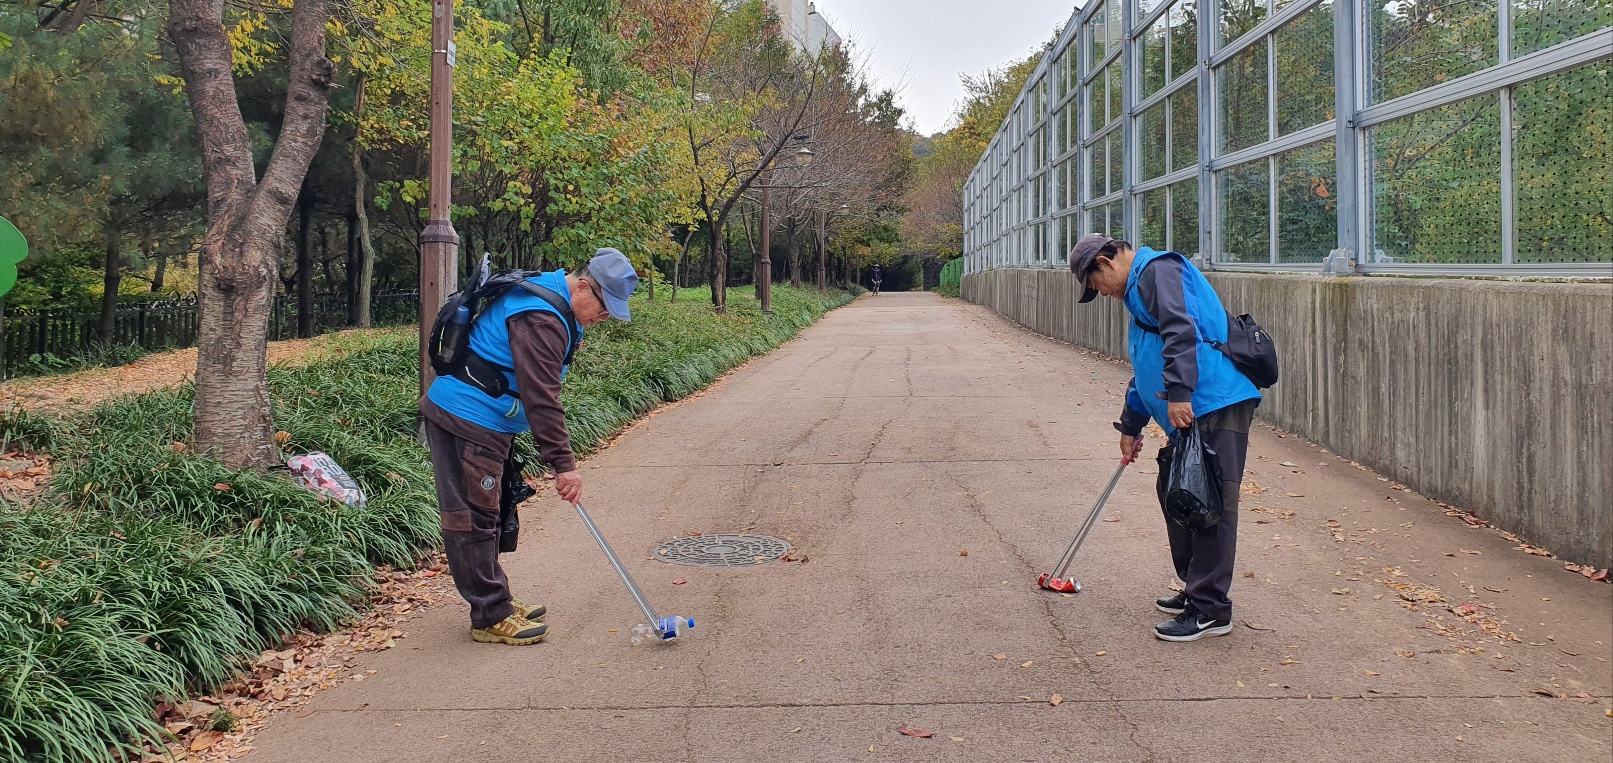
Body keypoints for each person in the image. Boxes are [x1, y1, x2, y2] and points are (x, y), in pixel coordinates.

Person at [420, 248, 639, 646]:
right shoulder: (541, 318)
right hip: (468, 417)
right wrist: (564, 465)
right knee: (471, 517)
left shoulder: (548, 294)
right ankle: (490, 614)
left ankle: (496, 600)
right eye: (604, 309)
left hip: (486, 419)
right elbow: (541, 398)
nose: (602, 319)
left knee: (491, 509)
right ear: (585, 286)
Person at [1070, 233, 1260, 642]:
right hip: (1189, 409)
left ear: (1105, 263)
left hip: (1213, 400)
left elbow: (1181, 331)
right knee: (1176, 492)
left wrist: (1179, 393)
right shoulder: (1139, 290)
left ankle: (1210, 608)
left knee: (1207, 498)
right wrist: (1131, 424)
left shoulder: (1157, 272)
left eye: (1095, 285)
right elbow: (1145, 366)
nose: (1100, 294)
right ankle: (1196, 589)